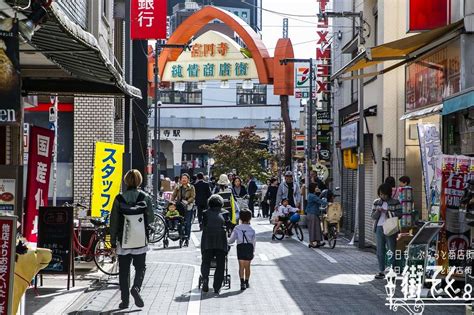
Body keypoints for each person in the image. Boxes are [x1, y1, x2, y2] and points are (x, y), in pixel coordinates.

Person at [110, 169, 154, 309]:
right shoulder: (145, 197)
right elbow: (151, 218)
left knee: (123, 271)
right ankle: (136, 288)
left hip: (124, 240)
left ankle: (125, 301)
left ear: (126, 181)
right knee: (140, 267)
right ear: (139, 181)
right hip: (140, 239)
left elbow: (114, 222)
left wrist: (112, 242)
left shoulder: (119, 198)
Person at [371, 183, 402, 279]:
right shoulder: (376, 202)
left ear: (389, 194)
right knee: (380, 250)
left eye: (384, 194)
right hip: (379, 227)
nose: (382, 196)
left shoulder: (395, 202)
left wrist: (388, 212)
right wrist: (378, 211)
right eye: (381, 194)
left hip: (391, 228)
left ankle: (392, 270)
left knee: (391, 249)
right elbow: (372, 216)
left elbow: (400, 214)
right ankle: (381, 271)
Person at [200, 194, 229, 294]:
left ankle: (205, 278)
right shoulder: (225, 213)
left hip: (207, 241)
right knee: (221, 264)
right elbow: (228, 225)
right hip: (221, 241)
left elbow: (202, 225)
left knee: (206, 261)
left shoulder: (205, 213)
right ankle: (217, 286)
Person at [228, 210, 256, 290]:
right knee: (247, 266)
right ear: (250, 218)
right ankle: (247, 282)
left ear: (240, 218)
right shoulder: (252, 229)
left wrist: (228, 241)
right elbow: (254, 242)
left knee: (241, 266)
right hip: (249, 248)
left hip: (240, 247)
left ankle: (242, 282)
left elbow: (231, 240)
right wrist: (253, 251)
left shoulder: (237, 228)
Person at [171, 173, 196, 246]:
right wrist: (172, 202)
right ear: (180, 180)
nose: (184, 179)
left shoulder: (191, 187)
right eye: (183, 178)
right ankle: (181, 236)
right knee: (179, 223)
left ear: (188, 179)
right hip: (179, 207)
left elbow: (193, 196)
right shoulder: (178, 187)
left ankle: (187, 239)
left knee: (188, 223)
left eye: (185, 178)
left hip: (188, 207)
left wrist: (187, 201)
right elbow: (173, 195)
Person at [305, 183, 327, 248]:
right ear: (313, 188)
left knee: (317, 227)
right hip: (312, 214)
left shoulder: (311, 195)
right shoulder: (312, 196)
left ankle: (318, 242)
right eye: (316, 187)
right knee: (312, 228)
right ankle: (311, 242)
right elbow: (319, 201)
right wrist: (328, 203)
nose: (317, 188)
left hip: (313, 213)